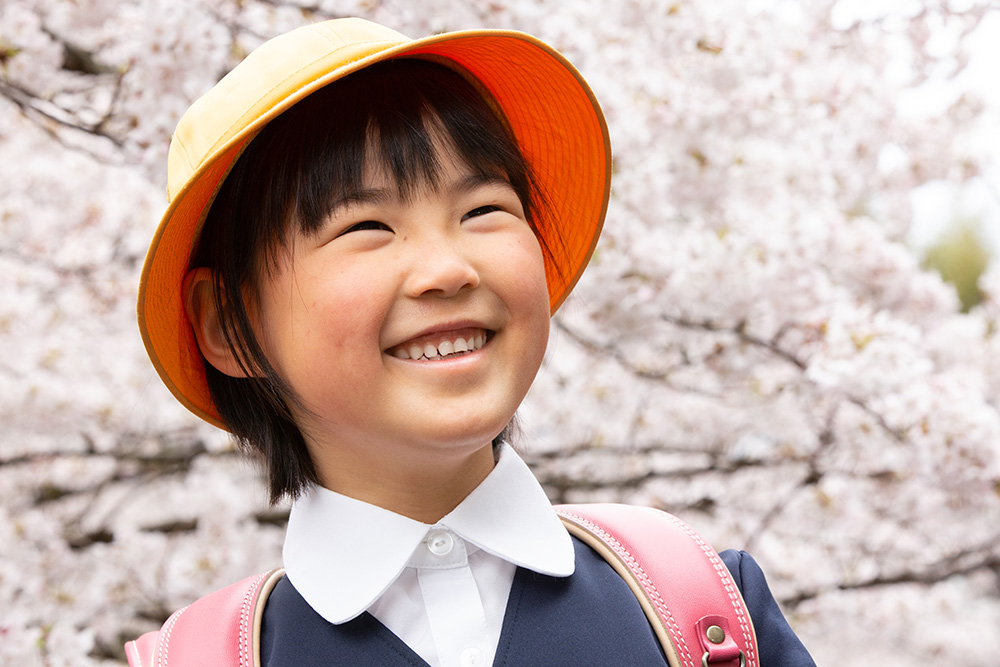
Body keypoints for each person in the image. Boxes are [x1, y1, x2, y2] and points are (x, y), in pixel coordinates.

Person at [134, 16, 816, 667]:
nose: (447, 269)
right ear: (227, 324)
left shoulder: (700, 611)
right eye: (366, 226)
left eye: (483, 209)